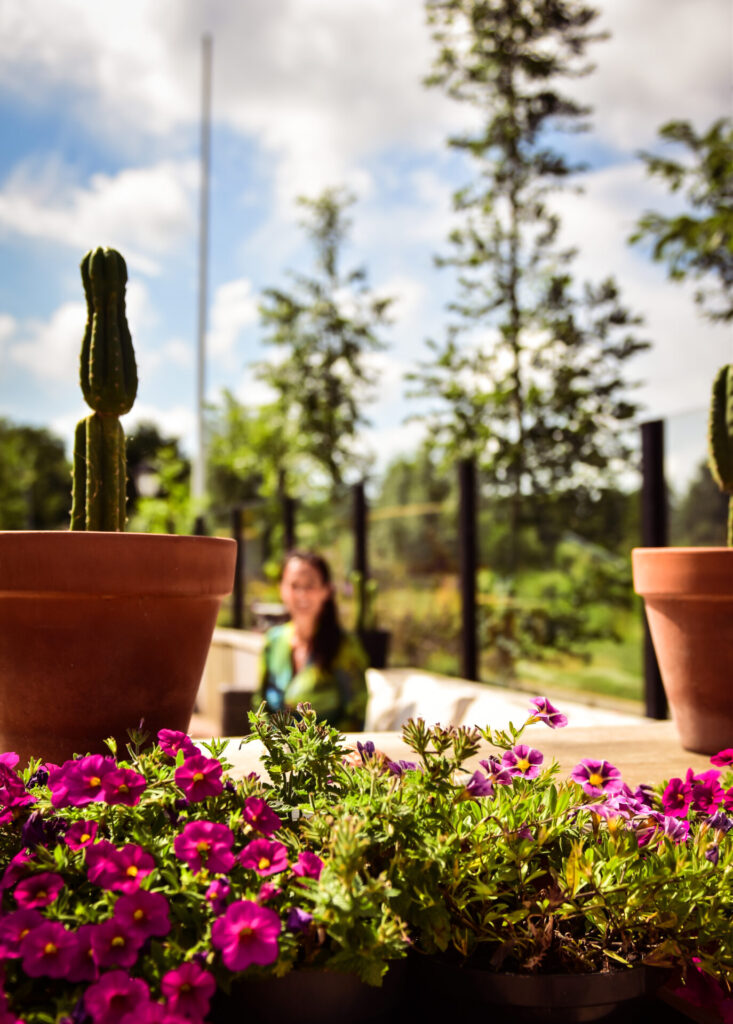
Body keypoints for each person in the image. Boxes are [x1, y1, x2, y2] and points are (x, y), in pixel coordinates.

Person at [256, 550, 369, 731]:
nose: (301, 594)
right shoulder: (273, 641)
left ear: (326, 591)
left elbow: (356, 716)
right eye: (294, 585)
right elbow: (259, 706)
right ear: (281, 589)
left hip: (327, 754)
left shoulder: (345, 647)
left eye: (310, 585)